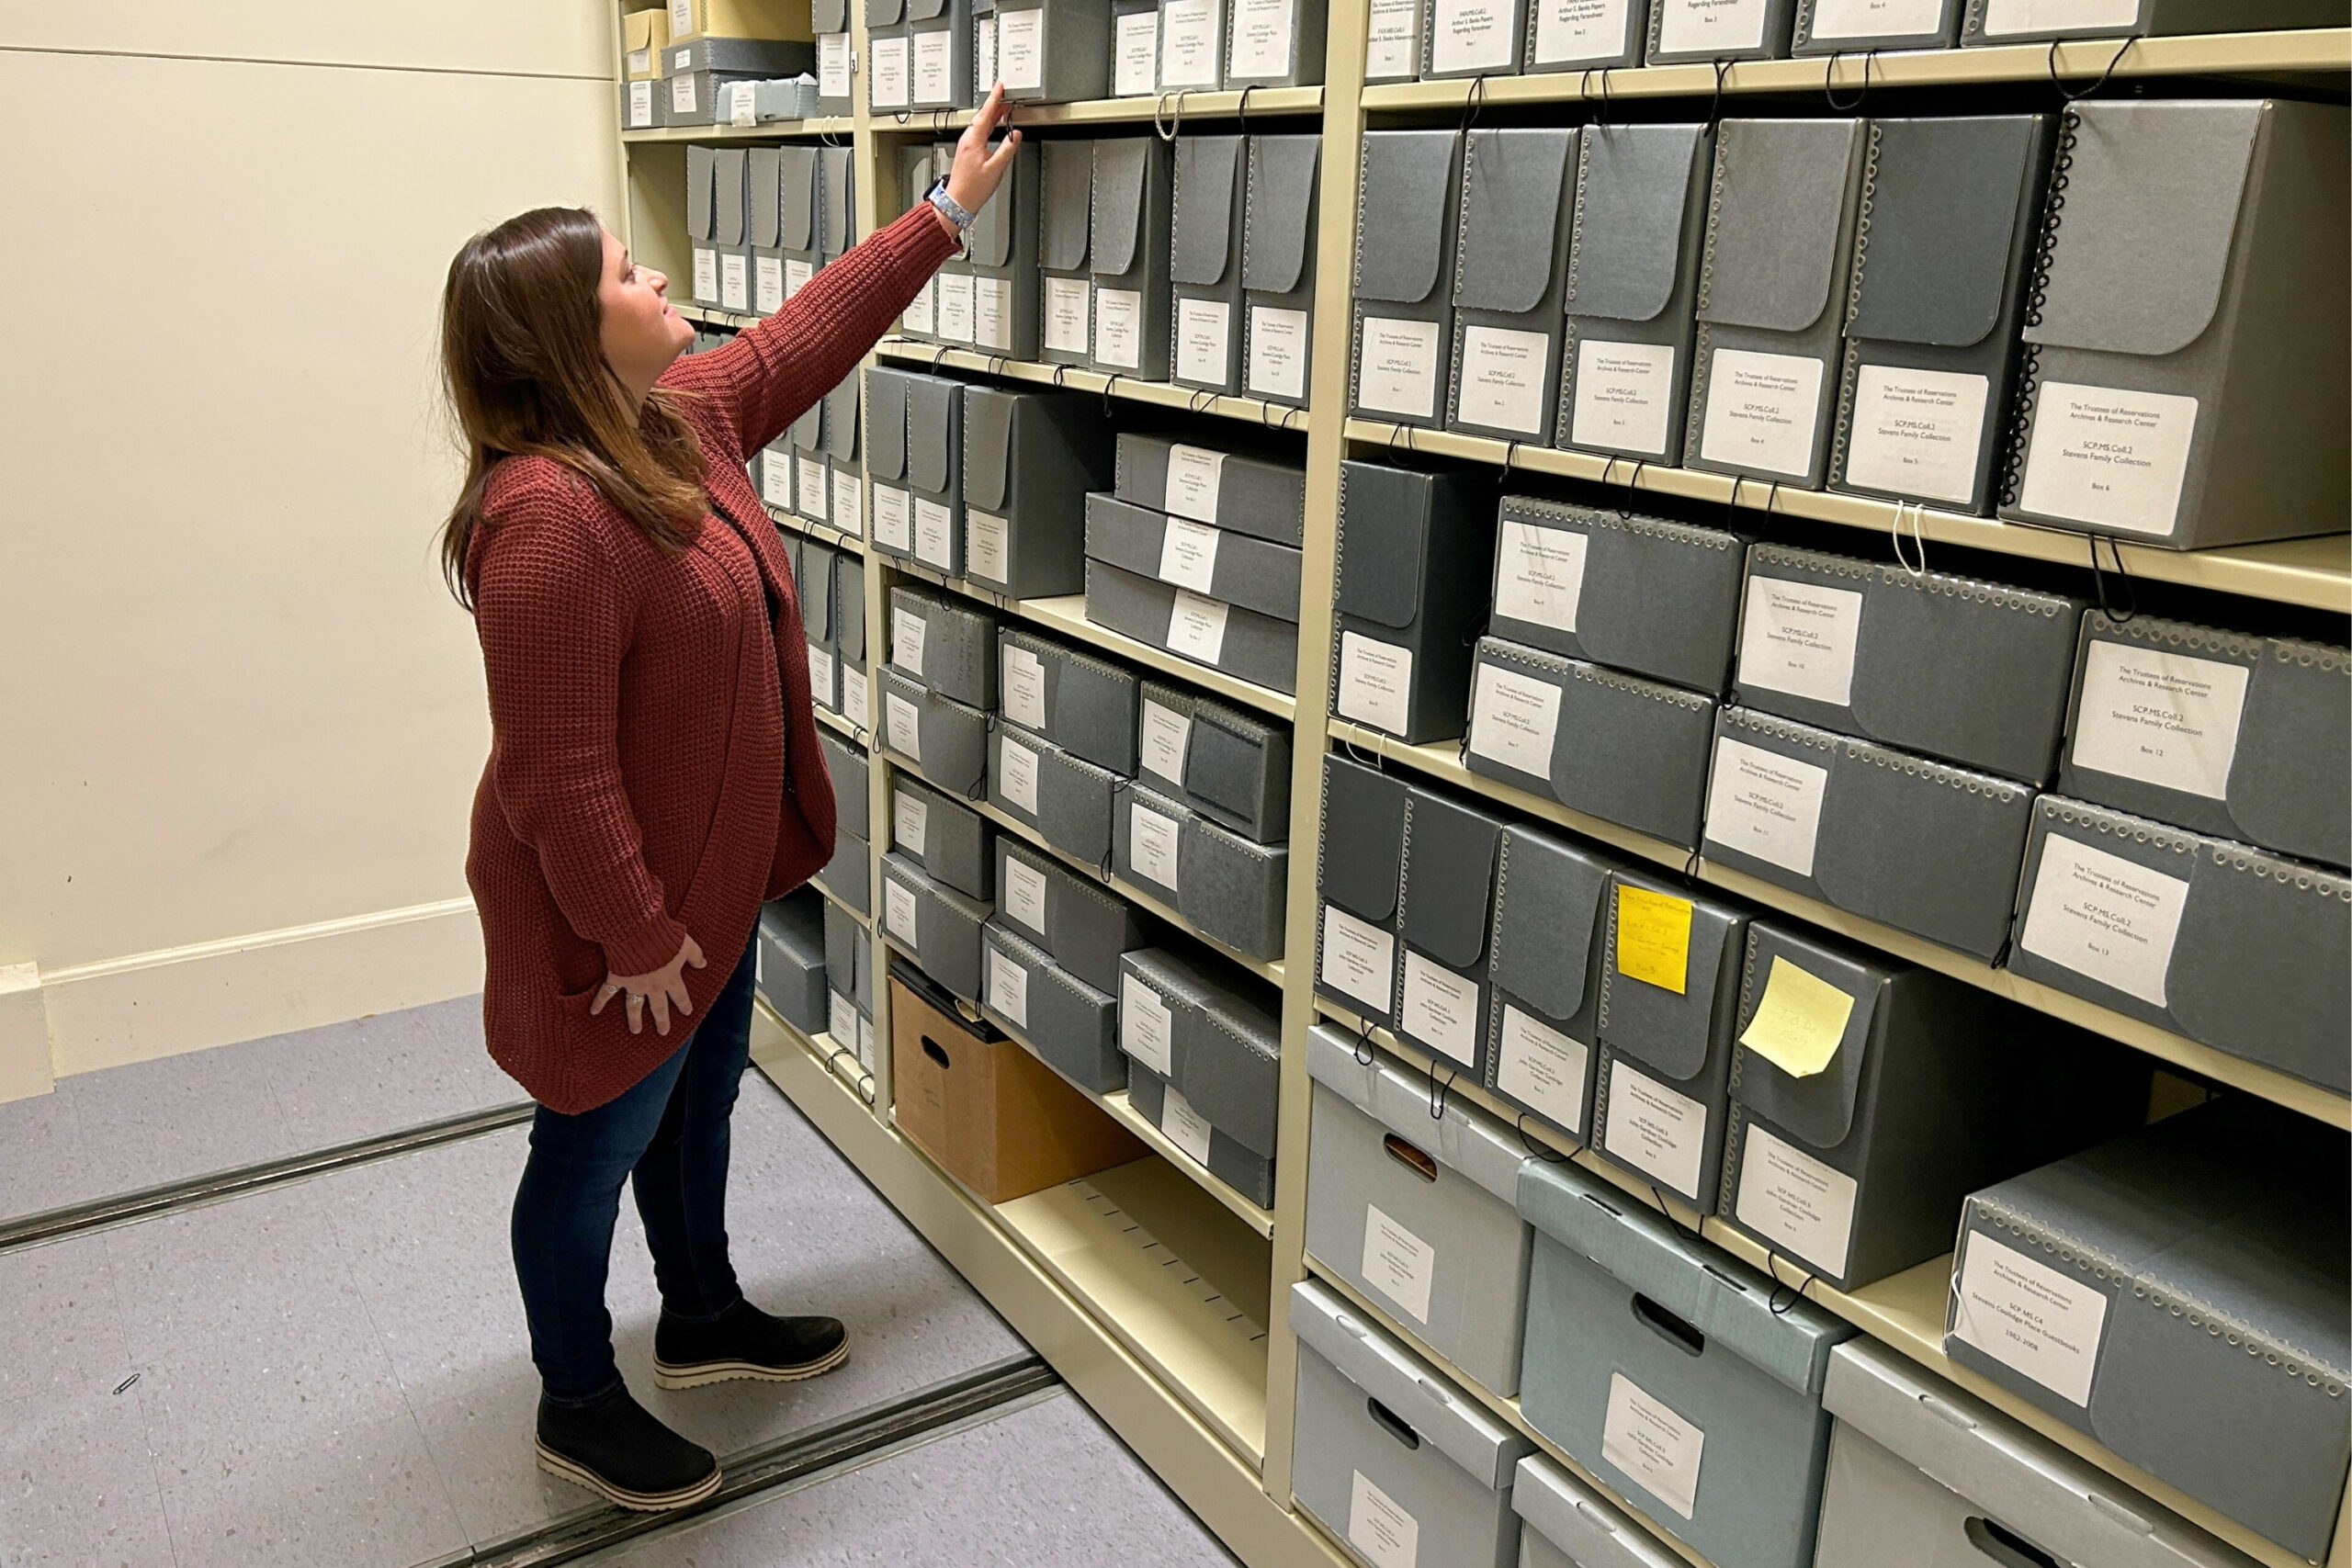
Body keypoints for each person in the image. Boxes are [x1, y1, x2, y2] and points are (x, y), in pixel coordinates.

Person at [434, 87, 1022, 1512]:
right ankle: (577, 1399)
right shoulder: (543, 521)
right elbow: (562, 780)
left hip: (710, 879)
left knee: (702, 1109)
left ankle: (700, 1316)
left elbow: (800, 339)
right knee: (588, 1148)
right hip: (619, 918)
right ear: (571, 341)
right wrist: (636, 939)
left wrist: (946, 213)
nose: (660, 281)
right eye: (627, 277)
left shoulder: (672, 422)